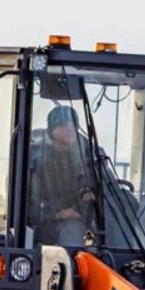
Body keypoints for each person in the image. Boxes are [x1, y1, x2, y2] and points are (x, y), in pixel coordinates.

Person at [30, 105, 96, 245]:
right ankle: (73, 264)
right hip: (51, 226)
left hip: (83, 221)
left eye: (73, 124)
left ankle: (92, 253)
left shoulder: (85, 154)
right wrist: (59, 214)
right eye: (64, 125)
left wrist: (91, 193)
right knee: (74, 234)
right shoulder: (40, 160)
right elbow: (32, 205)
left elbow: (92, 182)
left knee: (92, 239)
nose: (70, 129)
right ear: (52, 130)